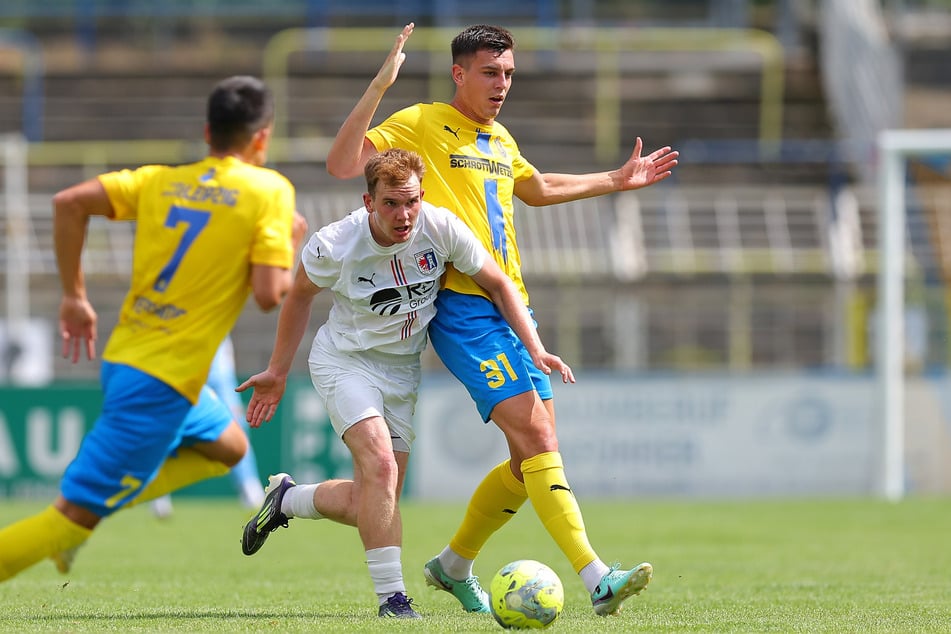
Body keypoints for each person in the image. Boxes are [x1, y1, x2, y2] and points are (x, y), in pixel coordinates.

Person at [324, 23, 679, 617]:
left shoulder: (499, 138)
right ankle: (596, 576)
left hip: (514, 305)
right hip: (463, 307)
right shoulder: (422, 122)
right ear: (459, 73)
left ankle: (454, 563)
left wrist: (616, 180)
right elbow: (341, 164)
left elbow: (536, 188)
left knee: (527, 460)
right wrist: (382, 85)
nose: (502, 84)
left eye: (509, 73)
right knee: (538, 438)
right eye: (491, 72)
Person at [236, 148, 573, 619]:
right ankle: (393, 600)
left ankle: (288, 499)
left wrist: (535, 347)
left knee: (371, 502)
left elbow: (498, 283)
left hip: (402, 370)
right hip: (345, 362)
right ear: (368, 201)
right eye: (391, 203)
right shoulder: (335, 243)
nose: (404, 214)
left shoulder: (441, 228)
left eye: (411, 201)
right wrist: (276, 371)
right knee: (380, 466)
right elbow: (298, 299)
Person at [0, 75, 307, 583]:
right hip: (162, 383)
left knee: (228, 447)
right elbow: (269, 294)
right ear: (262, 138)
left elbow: (67, 203)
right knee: (66, 522)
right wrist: (291, 240)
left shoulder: (160, 180)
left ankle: (91, 510)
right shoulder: (269, 190)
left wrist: (75, 296)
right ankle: (79, 522)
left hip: (133, 360)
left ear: (208, 133)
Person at [149, 335, 267, 519]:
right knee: (167, 429)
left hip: (218, 372)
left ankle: (250, 487)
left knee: (236, 427)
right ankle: (158, 492)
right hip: (181, 367)